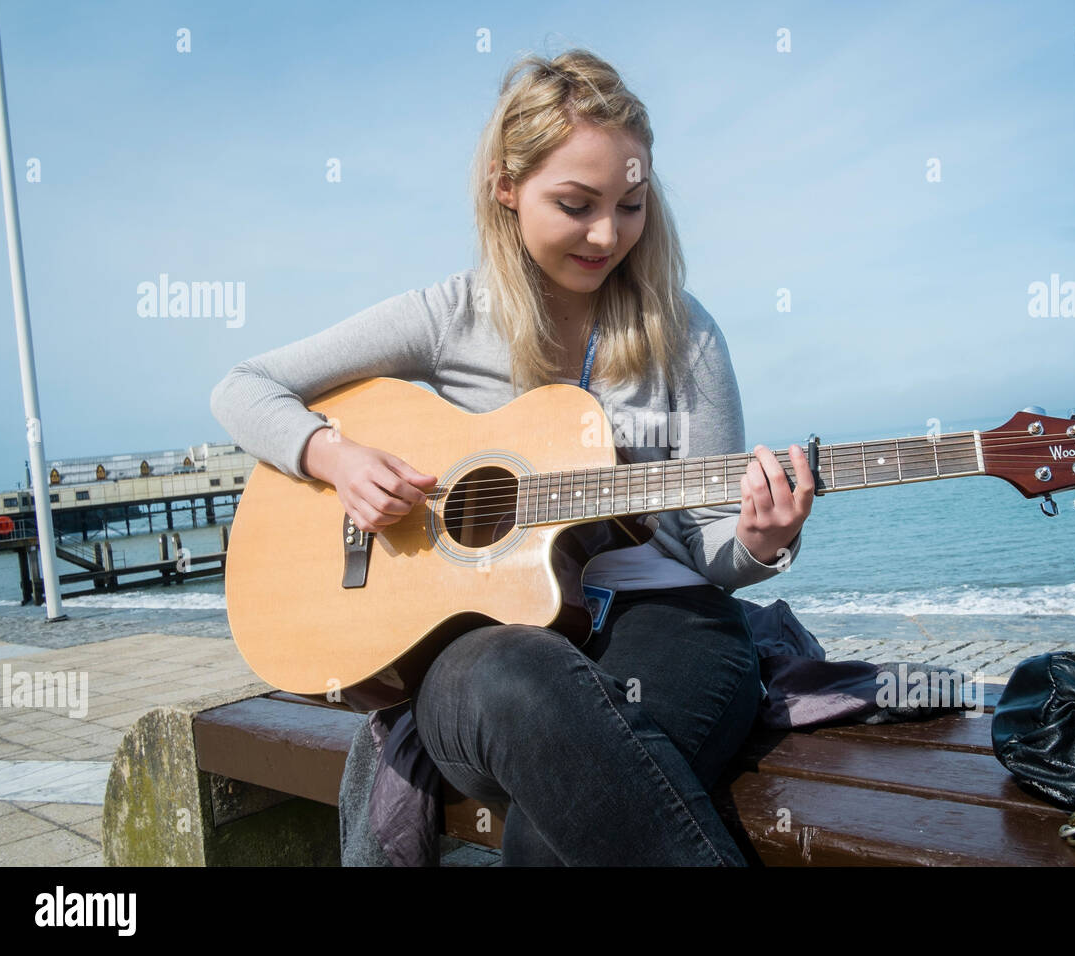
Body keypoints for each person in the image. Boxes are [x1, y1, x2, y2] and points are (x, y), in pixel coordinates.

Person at [210, 48, 814, 866]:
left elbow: (708, 547)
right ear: (506, 186)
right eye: (577, 204)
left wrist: (760, 542)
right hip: (485, 654)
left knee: (563, 823)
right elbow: (244, 388)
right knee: (520, 679)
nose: (608, 234)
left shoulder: (686, 331)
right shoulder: (447, 316)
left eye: (631, 206)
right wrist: (335, 456)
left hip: (669, 623)